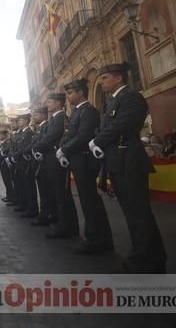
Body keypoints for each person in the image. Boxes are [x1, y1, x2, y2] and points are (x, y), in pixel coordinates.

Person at [90, 62, 167, 273]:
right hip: (119, 161)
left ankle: (144, 260)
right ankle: (152, 257)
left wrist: (97, 140)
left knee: (138, 214)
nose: (102, 82)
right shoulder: (114, 101)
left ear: (118, 78)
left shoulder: (131, 97)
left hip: (129, 160)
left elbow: (121, 125)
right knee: (134, 214)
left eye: (105, 78)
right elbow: (109, 126)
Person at [59, 78, 113, 254]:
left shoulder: (88, 111)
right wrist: (65, 149)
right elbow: (70, 134)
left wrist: (64, 149)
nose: (68, 97)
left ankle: (98, 239)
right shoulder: (76, 112)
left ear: (80, 92)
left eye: (70, 93)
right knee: (86, 200)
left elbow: (82, 136)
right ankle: (94, 236)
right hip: (77, 160)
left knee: (90, 201)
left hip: (84, 160)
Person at [33, 93, 78, 239]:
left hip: (56, 162)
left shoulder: (59, 119)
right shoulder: (54, 119)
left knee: (62, 195)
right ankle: (62, 222)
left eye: (50, 101)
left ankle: (66, 226)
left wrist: (36, 147)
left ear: (58, 103)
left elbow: (51, 136)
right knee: (57, 195)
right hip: (50, 160)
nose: (47, 104)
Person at [29, 107, 52, 226]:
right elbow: (34, 143)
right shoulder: (39, 128)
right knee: (43, 192)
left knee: (46, 192)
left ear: (43, 115)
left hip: (44, 164)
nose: (33, 117)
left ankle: (46, 215)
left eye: (36, 114)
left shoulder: (46, 126)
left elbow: (43, 142)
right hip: (39, 164)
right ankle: (44, 214)